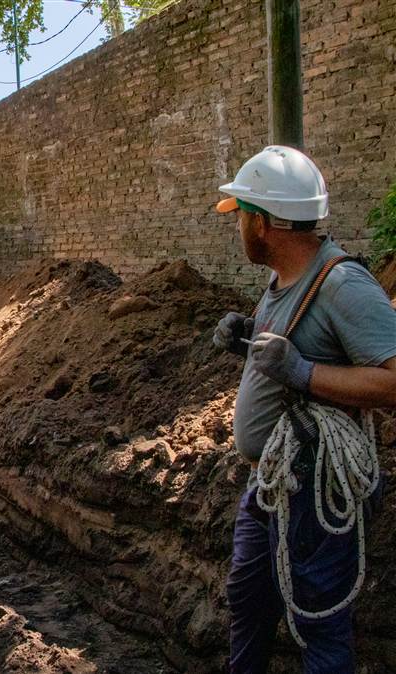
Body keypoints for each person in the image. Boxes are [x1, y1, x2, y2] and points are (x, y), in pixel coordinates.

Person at [212, 146, 396, 673]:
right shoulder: (282, 281)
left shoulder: (342, 284)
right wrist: (248, 340)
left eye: (243, 216)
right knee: (248, 602)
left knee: (319, 621)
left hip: (315, 489)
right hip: (269, 482)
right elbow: (292, 346)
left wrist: (303, 373)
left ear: (264, 223)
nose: (240, 227)